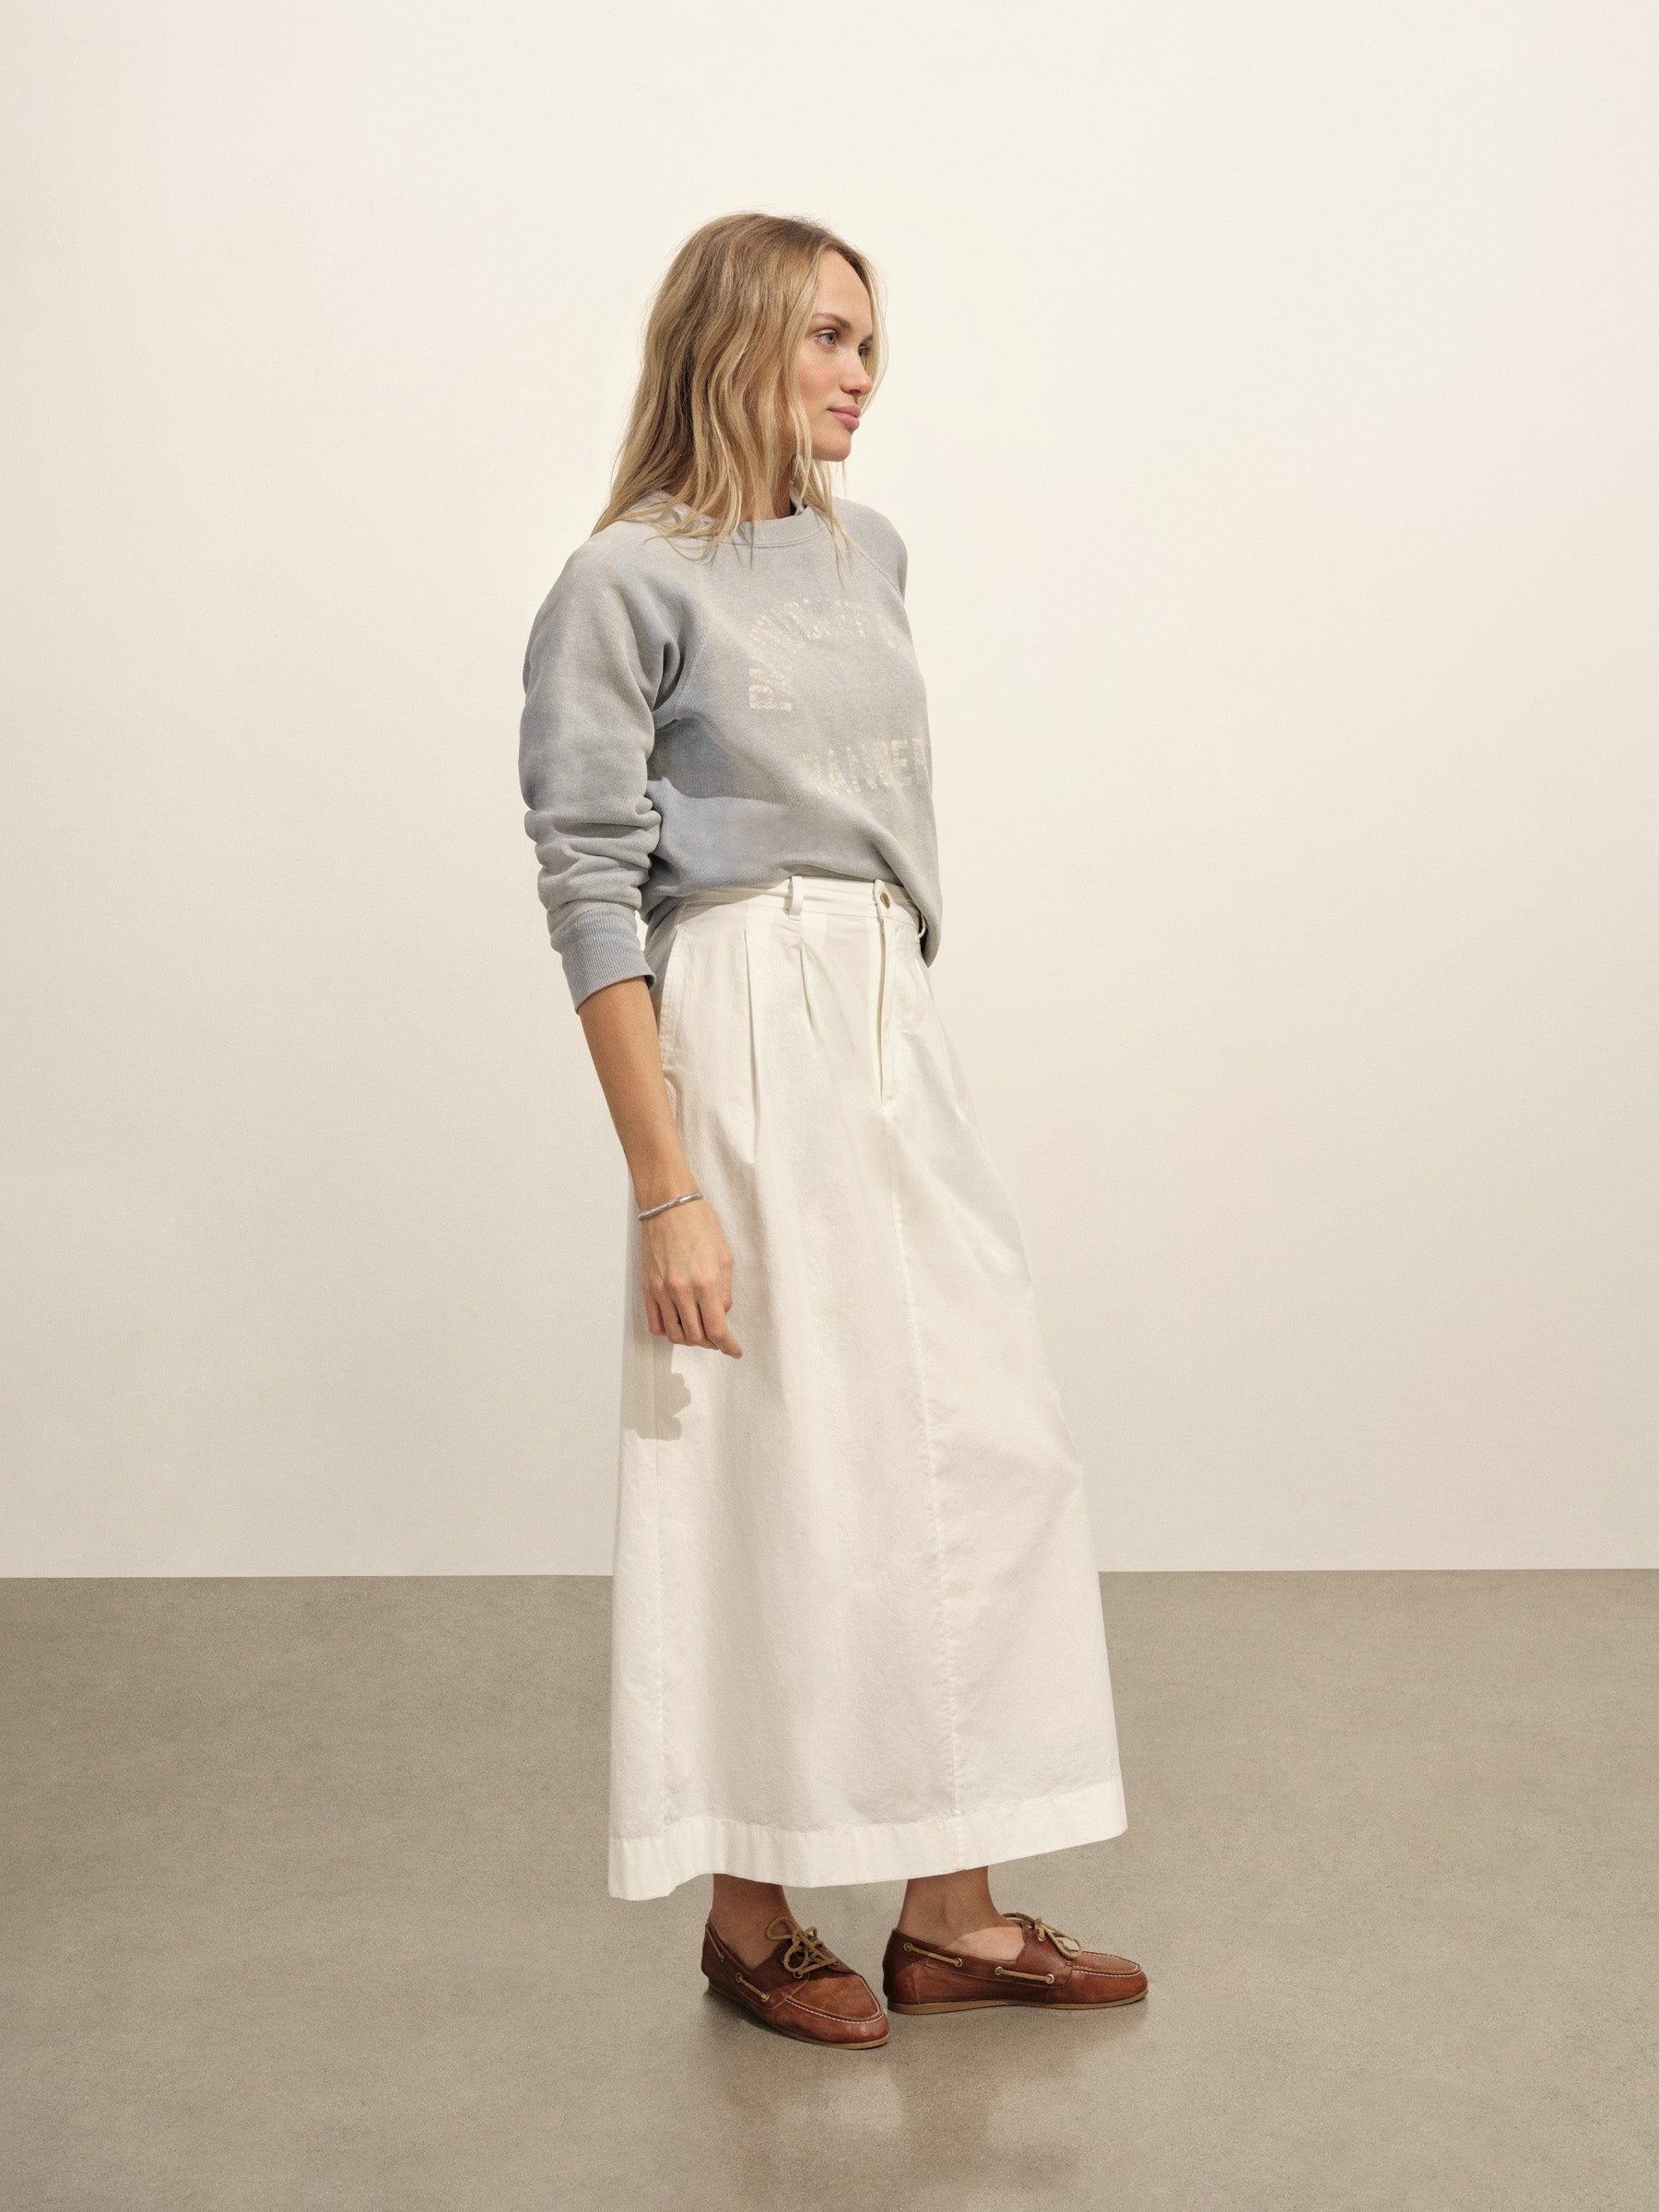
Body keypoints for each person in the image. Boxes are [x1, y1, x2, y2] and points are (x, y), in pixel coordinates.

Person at [517, 211, 1148, 2050]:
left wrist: (893, 1019)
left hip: (887, 1008)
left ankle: (949, 1918)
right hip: (737, 1013)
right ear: (730, 341)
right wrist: (667, 1188)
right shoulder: (622, 579)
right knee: (770, 1455)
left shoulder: (874, 554)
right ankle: (751, 1915)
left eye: (870, 341)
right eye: (825, 337)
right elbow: (588, 882)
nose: (861, 374)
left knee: (977, 1439)